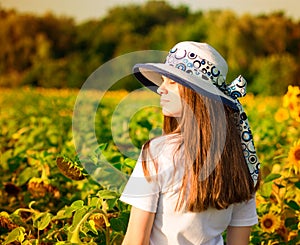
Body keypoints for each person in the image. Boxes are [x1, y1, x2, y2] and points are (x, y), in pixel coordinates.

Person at [120, 41, 260, 245]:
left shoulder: (157, 153)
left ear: (196, 94)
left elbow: (135, 240)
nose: (161, 89)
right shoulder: (242, 161)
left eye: (172, 82)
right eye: (163, 80)